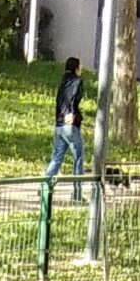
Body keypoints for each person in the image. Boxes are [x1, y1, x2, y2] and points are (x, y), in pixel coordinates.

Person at [45, 54, 87, 203]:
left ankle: (45, 187)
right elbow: (75, 99)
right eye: (80, 67)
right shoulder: (77, 81)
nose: (81, 69)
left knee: (56, 157)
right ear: (76, 68)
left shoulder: (62, 82)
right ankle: (76, 194)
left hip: (59, 124)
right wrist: (75, 115)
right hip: (71, 124)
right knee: (78, 159)